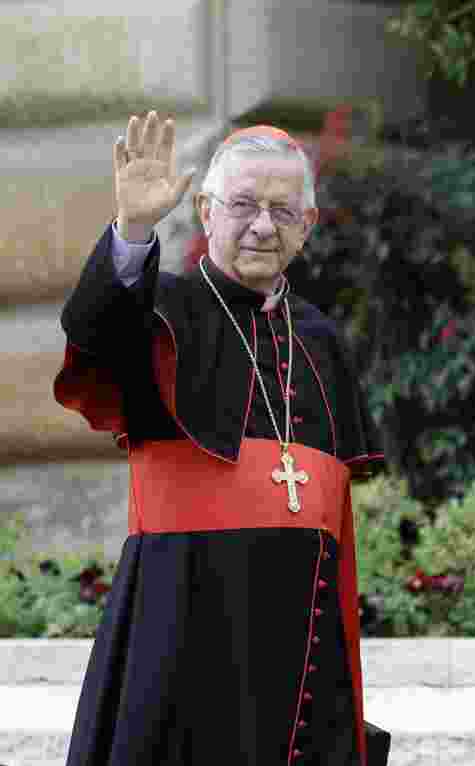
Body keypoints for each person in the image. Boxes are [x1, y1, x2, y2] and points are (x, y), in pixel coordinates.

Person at [54, 111, 390, 765]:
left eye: (282, 210)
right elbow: (96, 337)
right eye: (242, 205)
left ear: (308, 225)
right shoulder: (161, 313)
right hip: (182, 627)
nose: (263, 226)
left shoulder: (322, 340)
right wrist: (134, 229)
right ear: (207, 211)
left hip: (302, 652)